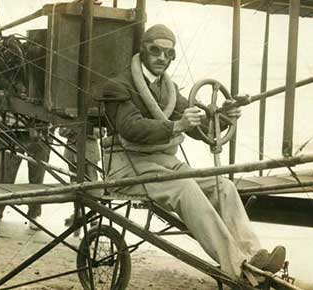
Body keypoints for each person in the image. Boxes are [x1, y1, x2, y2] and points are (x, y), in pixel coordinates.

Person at [101, 24, 286, 280]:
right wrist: (177, 125)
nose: (162, 59)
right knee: (185, 189)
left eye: (169, 54)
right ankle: (238, 266)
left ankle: (256, 256)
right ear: (143, 50)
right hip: (128, 165)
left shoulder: (170, 90)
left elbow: (198, 126)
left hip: (165, 162)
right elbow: (131, 128)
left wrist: (223, 116)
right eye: (156, 51)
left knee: (224, 187)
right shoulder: (117, 86)